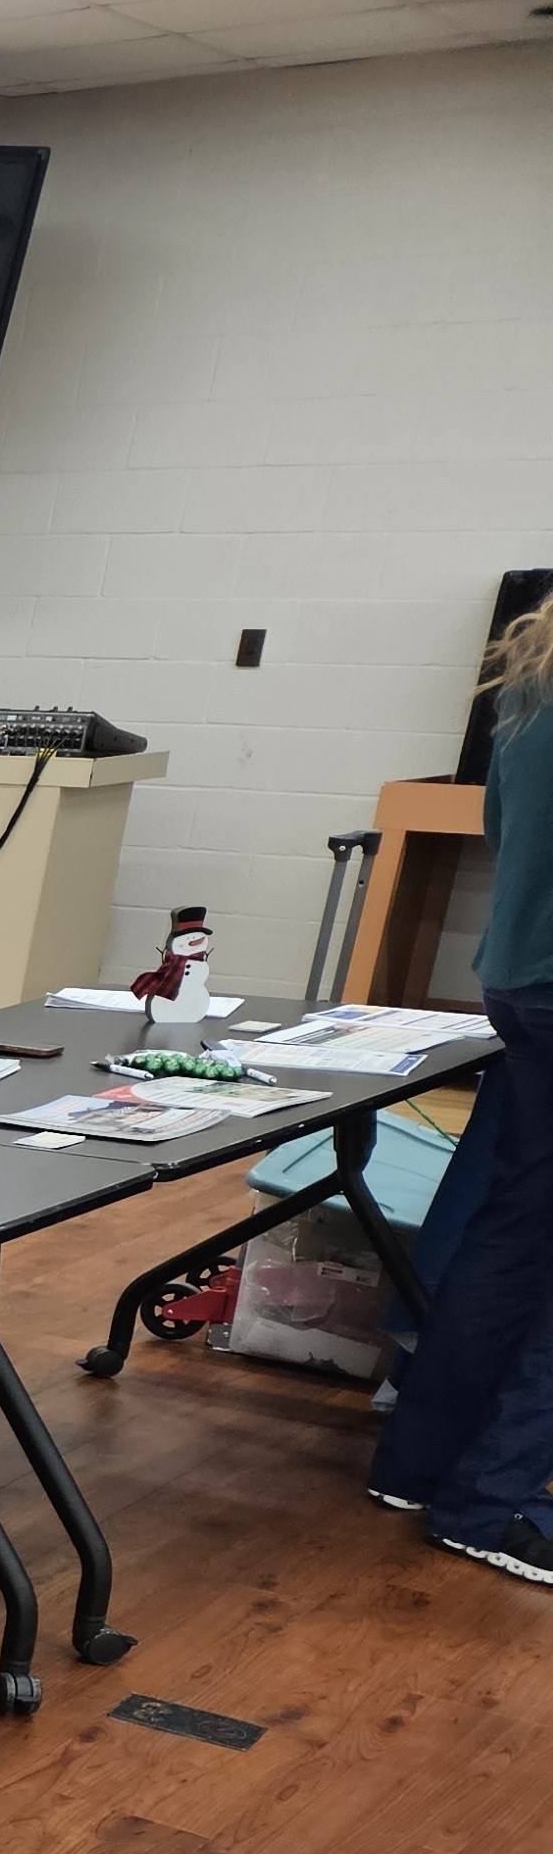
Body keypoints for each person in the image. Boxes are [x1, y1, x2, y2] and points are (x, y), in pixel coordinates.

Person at [372, 603, 553, 1582]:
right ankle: (494, 1503)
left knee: (513, 1230)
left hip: (522, 975)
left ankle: (417, 1461)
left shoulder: (533, 672)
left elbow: (494, 822)